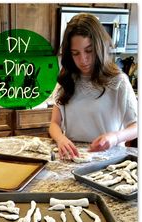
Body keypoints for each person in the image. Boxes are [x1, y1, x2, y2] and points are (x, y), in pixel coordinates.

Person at [49, 13, 137, 159]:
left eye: (89, 51)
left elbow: (136, 126)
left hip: (109, 160)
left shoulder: (118, 82)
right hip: (72, 158)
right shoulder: (66, 80)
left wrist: (115, 137)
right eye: (75, 53)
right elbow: (54, 124)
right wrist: (61, 139)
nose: (83, 60)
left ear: (99, 46)